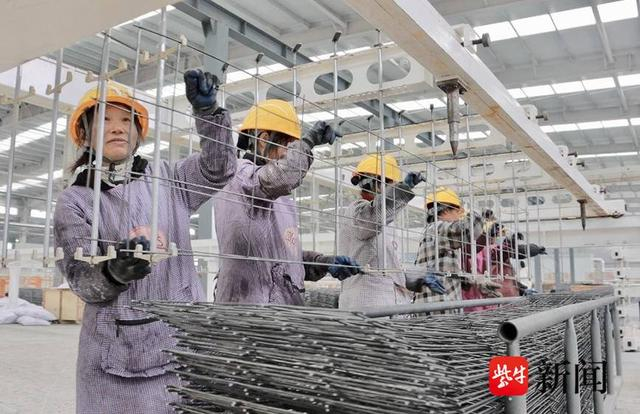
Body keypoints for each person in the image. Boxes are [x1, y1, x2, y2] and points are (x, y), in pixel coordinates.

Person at [54, 70, 236, 413]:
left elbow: (219, 169)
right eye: (105, 120)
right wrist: (113, 272)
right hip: (117, 360)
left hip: (186, 344)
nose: (118, 127)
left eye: (127, 120)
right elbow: (81, 279)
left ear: (139, 133)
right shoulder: (75, 200)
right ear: (85, 134)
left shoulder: (170, 178)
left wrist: (209, 115)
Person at [213, 99, 359, 304]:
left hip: (281, 310)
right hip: (249, 309)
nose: (289, 155)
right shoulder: (238, 174)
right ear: (264, 140)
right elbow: (280, 177)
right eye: (288, 147)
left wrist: (323, 263)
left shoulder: (279, 198)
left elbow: (285, 261)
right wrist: (308, 142)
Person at [337, 154, 431, 310]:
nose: (394, 189)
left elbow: (389, 270)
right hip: (367, 303)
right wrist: (403, 188)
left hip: (386, 304)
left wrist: (418, 279)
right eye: (392, 185)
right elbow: (374, 216)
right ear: (377, 184)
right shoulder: (358, 211)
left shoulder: (385, 222)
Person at [414, 187, 495, 313]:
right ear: (446, 210)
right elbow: (467, 230)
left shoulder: (440, 235)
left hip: (440, 305)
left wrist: (476, 281)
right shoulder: (437, 228)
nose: (459, 217)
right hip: (437, 308)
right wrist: (481, 214)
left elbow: (449, 272)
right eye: (458, 212)